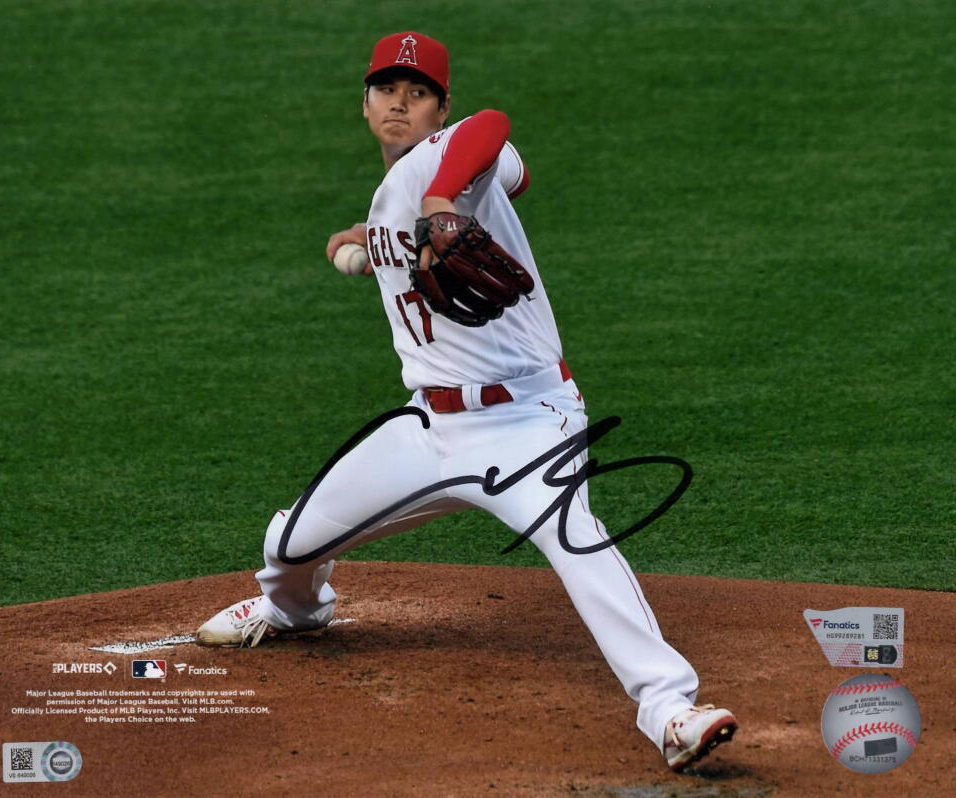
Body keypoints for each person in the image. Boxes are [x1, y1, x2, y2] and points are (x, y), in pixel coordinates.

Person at [197, 31, 737, 772]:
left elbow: (493, 131)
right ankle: (296, 609)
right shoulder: (399, 197)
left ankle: (672, 709)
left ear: (439, 109)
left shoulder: (449, 160)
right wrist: (367, 239)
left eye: (418, 94)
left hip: (527, 423)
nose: (400, 103)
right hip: (431, 432)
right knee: (288, 543)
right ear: (364, 103)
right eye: (386, 90)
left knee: (577, 541)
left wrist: (445, 194)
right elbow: (512, 179)